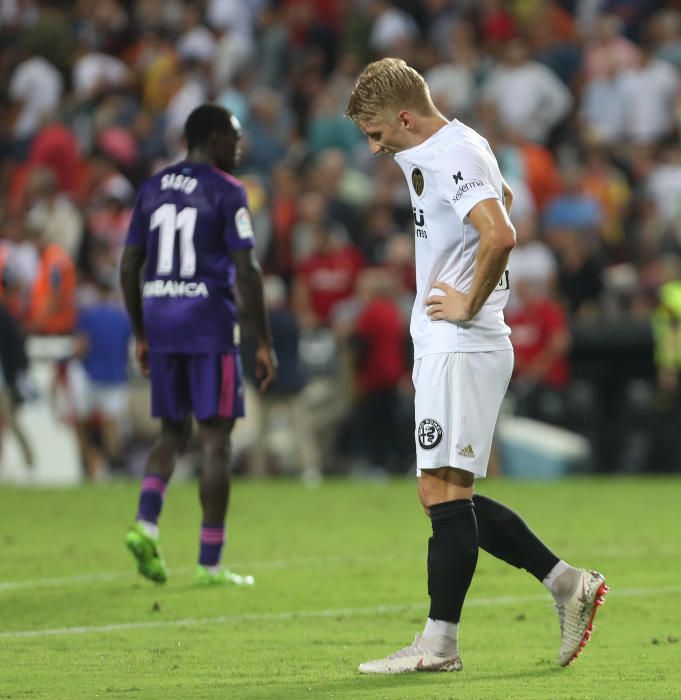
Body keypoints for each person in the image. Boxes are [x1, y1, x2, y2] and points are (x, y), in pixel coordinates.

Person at [345, 58, 607, 674]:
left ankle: (440, 645)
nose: (375, 145)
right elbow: (504, 199)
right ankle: (567, 584)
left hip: (460, 342)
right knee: (442, 493)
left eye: (377, 131)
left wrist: (466, 298)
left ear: (405, 117)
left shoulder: (448, 155)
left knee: (445, 494)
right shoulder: (460, 144)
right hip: (453, 343)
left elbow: (501, 230)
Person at [120, 104, 276, 586]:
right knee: (215, 441)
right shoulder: (228, 191)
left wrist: (142, 332)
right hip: (208, 321)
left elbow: (129, 266)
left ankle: (146, 524)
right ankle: (210, 563)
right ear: (211, 138)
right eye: (234, 136)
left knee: (172, 432)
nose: (240, 145)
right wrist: (264, 340)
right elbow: (247, 270)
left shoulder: (151, 187)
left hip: (162, 318)